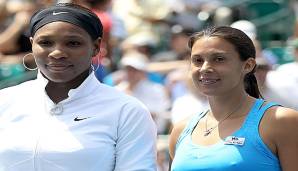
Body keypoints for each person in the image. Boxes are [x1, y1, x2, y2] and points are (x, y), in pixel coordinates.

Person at [0, 3, 157, 171]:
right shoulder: (5, 100)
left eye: (73, 43)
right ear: (32, 45)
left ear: (96, 47)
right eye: (45, 42)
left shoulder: (127, 111)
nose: (57, 52)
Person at [169, 26, 298, 171]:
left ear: (248, 65)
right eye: (197, 60)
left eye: (219, 59)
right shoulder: (181, 130)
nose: (204, 68)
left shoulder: (282, 120)